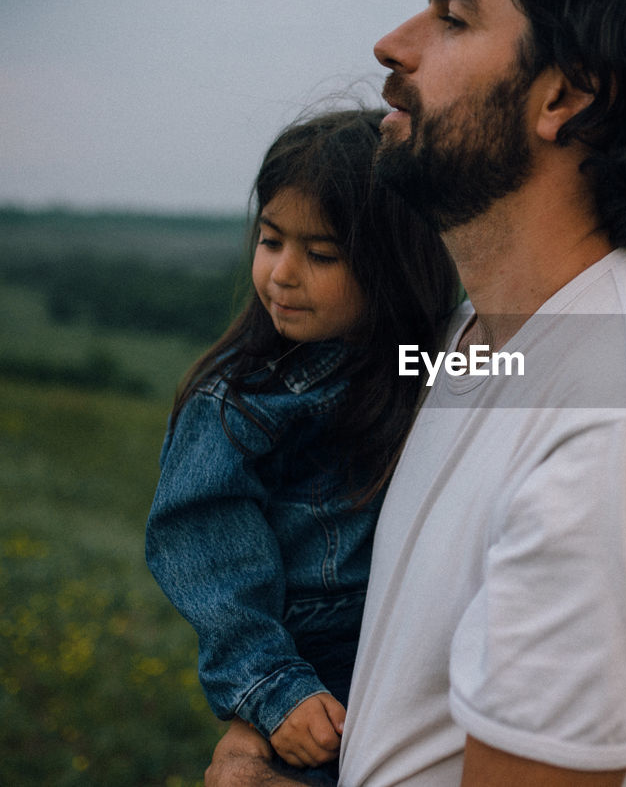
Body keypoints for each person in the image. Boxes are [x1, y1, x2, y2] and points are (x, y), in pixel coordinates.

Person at [206, 0, 626, 784]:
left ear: (563, 96)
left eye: (453, 19)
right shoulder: (470, 343)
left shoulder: (622, 415)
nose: (393, 45)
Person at [147, 109, 458, 785]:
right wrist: (272, 686)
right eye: (270, 240)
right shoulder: (239, 402)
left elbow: (508, 372)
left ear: (395, 263)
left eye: (320, 254)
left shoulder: (410, 360)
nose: (282, 273)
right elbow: (204, 553)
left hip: (408, 649)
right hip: (309, 671)